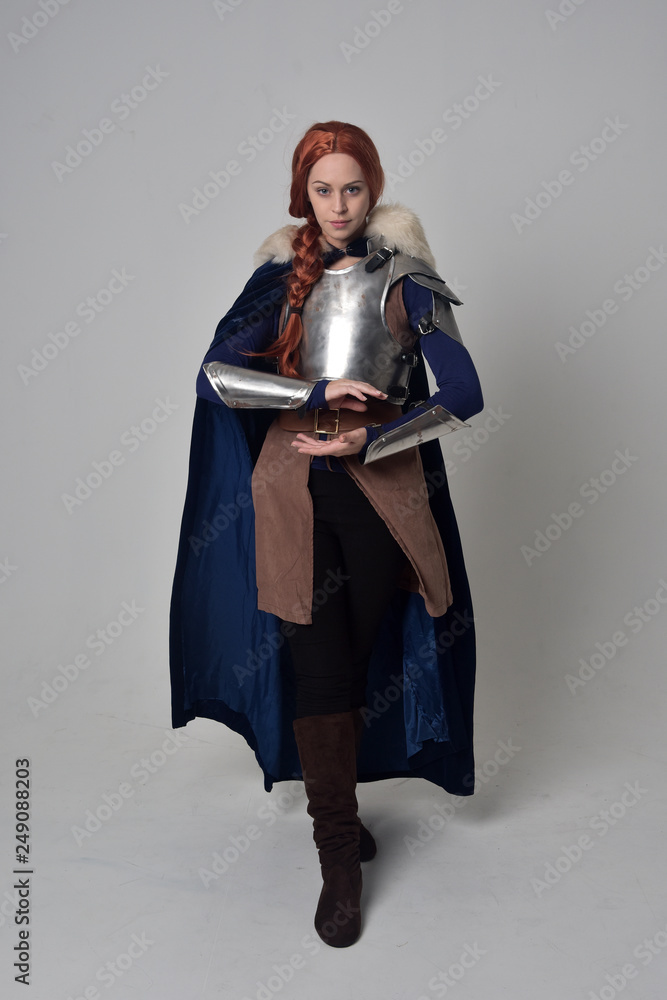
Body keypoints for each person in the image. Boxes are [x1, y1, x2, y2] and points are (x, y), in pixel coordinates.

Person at [169, 121, 484, 948]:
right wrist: (312, 396)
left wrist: (368, 437)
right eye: (322, 189)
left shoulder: (406, 278)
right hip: (289, 493)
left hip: (380, 494)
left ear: (371, 189)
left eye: (351, 188)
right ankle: (338, 855)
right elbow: (213, 376)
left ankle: (338, 804)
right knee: (317, 666)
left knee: (359, 658)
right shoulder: (279, 279)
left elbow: (463, 393)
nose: (337, 205)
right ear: (301, 194)